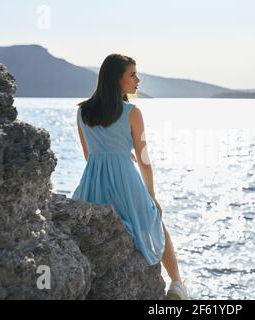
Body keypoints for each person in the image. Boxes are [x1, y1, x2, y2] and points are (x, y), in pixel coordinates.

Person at [72, 53, 189, 300]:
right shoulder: (132, 112)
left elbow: (89, 156)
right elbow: (145, 160)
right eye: (133, 74)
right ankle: (177, 283)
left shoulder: (82, 113)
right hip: (126, 181)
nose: (138, 79)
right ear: (118, 79)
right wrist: (151, 195)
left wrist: (114, 154)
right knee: (155, 217)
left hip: (93, 186)